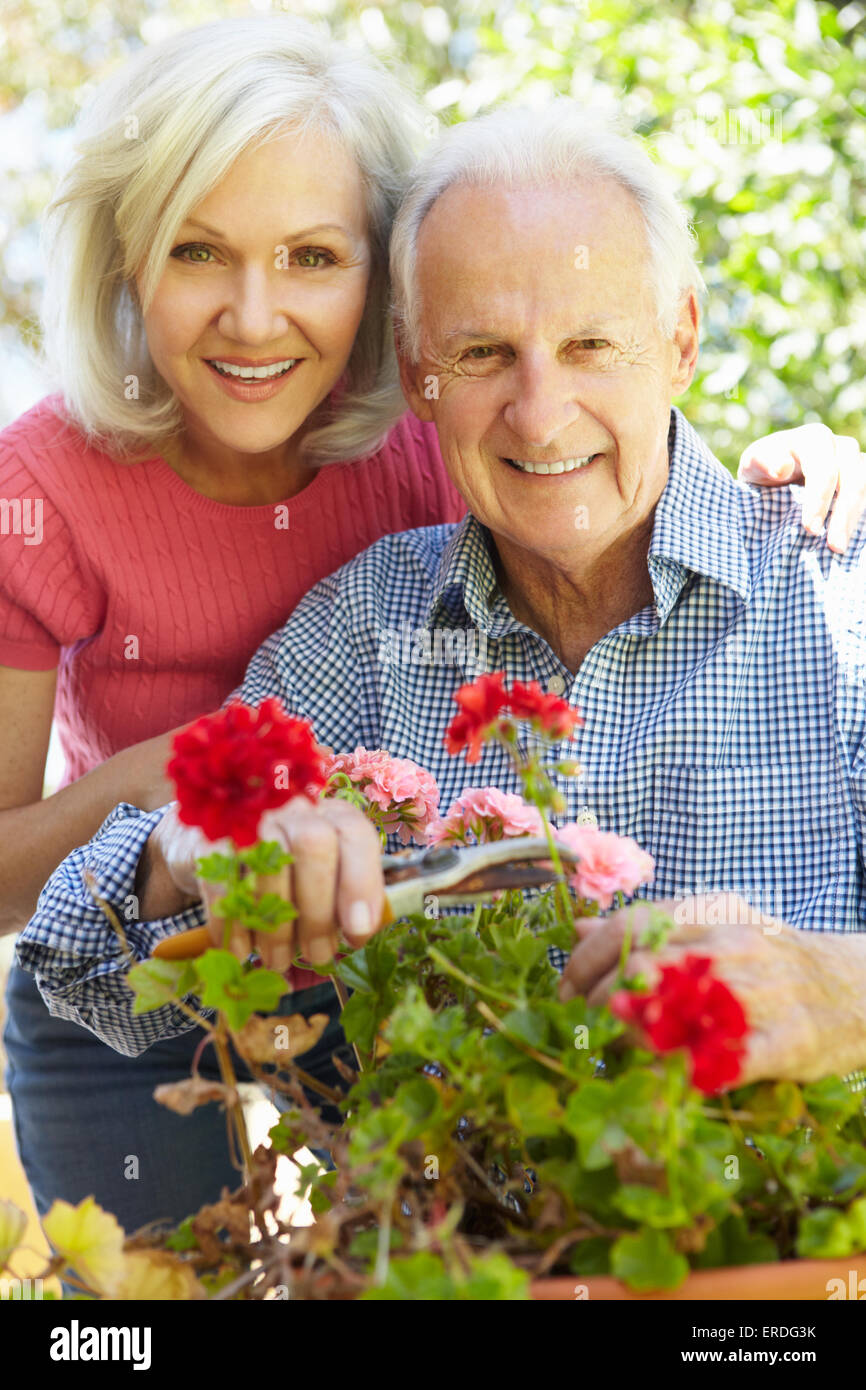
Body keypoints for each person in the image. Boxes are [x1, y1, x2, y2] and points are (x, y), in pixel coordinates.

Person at [19, 103, 866, 1120]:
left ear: (678, 339)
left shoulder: (834, 588)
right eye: (480, 355)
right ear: (415, 370)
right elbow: (71, 958)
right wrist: (184, 852)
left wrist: (842, 990)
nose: (539, 413)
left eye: (591, 342)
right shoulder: (359, 631)